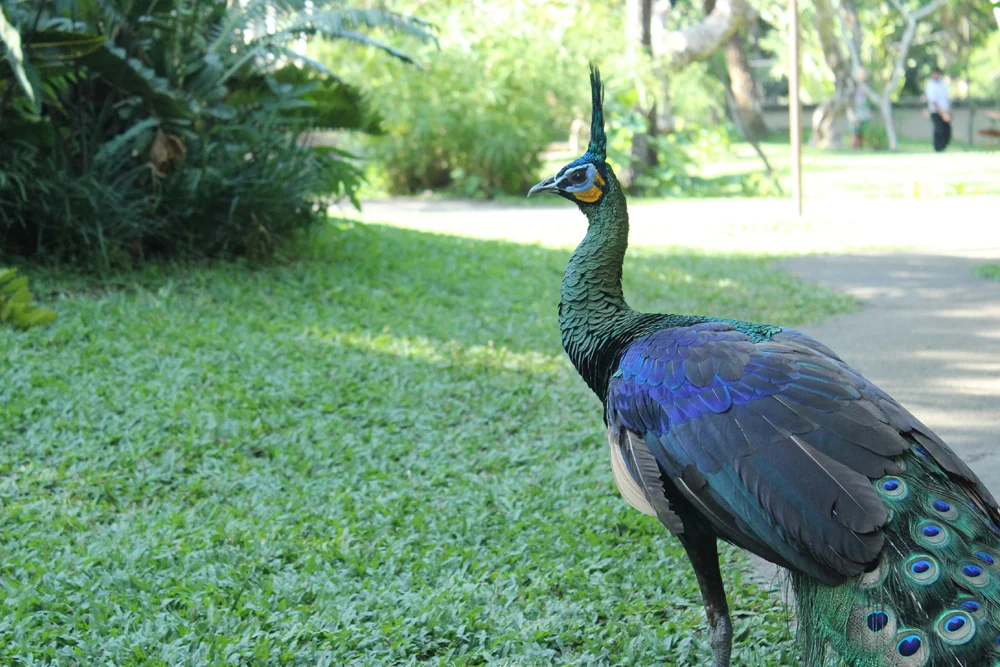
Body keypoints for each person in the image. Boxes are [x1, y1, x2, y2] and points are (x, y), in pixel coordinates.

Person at [924, 67, 952, 152]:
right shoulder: (930, 85)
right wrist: (942, 114)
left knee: (947, 130)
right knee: (938, 129)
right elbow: (934, 101)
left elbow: (946, 98)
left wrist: (948, 112)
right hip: (936, 112)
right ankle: (938, 148)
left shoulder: (943, 84)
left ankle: (943, 148)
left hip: (945, 111)